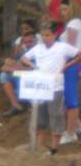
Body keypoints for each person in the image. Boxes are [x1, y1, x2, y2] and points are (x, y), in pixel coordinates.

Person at [9, 22, 81, 154]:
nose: (45, 38)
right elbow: (24, 57)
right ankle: (39, 147)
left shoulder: (63, 47)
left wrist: (68, 65)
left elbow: (79, 54)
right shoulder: (38, 48)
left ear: (55, 35)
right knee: (40, 117)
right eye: (43, 35)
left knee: (56, 116)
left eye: (47, 35)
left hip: (56, 87)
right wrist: (32, 65)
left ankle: (54, 149)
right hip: (40, 87)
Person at [1, 28, 39, 116]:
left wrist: (17, 68)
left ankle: (30, 104)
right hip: (22, 74)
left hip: (34, 77)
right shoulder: (24, 52)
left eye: (30, 41)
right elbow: (6, 66)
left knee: (18, 75)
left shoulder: (39, 51)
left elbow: (37, 69)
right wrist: (10, 67)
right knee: (3, 76)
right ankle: (16, 106)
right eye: (26, 42)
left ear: (35, 40)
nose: (28, 44)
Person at [58, 0, 81, 143]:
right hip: (74, 63)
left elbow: (71, 48)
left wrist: (64, 65)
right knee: (69, 97)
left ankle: (70, 132)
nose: (62, 12)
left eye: (64, 9)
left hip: (72, 64)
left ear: (72, 9)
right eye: (60, 9)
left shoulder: (73, 24)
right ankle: (76, 126)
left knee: (70, 98)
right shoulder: (77, 23)